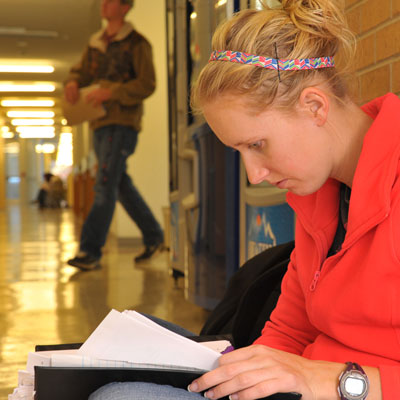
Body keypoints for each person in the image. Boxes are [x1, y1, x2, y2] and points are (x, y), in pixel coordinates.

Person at [89, 0, 400, 399]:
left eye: (258, 144)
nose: (255, 174)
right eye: (242, 152)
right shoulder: (321, 195)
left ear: (314, 106)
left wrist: (327, 379)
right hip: (295, 388)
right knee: (119, 353)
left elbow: (307, 367)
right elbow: (289, 330)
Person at [64, 0, 164, 271]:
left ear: (124, 7)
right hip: (97, 123)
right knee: (117, 183)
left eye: (110, 1)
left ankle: (90, 250)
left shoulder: (138, 43)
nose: (103, 5)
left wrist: (112, 92)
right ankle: (154, 236)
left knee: (104, 183)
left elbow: (147, 84)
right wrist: (73, 81)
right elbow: (80, 71)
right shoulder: (94, 43)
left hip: (123, 123)